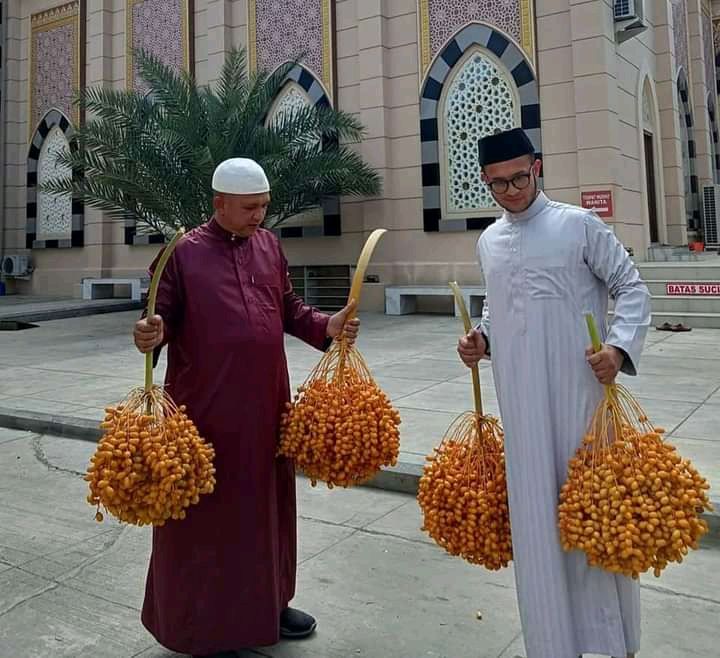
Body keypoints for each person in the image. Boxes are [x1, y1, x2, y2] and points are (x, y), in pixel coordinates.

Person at [133, 158, 359, 658]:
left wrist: (328, 325)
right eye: (250, 208)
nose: (260, 215)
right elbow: (158, 319)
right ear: (219, 204)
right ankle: (204, 625)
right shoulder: (181, 254)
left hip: (267, 405)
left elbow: (288, 310)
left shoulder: (270, 246)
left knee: (267, 510)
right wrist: (149, 333)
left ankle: (270, 605)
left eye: (264, 206)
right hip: (204, 411)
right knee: (208, 519)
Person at [457, 128, 651, 658]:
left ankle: (614, 643)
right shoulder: (488, 241)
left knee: (593, 515)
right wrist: (482, 339)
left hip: (580, 403)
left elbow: (630, 286)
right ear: (485, 182)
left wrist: (617, 348)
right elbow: (501, 307)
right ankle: (551, 645)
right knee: (537, 522)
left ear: (537, 168)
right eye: (498, 184)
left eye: (520, 177)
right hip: (520, 405)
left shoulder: (578, 226)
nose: (511, 191)